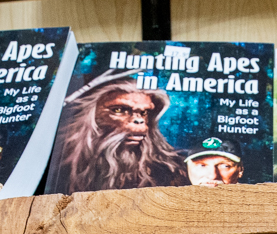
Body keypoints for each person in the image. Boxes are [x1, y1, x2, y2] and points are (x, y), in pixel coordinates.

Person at [48, 79, 188, 192]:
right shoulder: (60, 165)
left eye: (144, 113)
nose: (139, 120)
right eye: (119, 110)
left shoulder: (173, 168)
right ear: (92, 115)